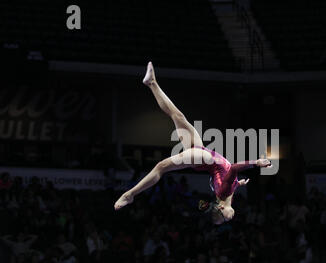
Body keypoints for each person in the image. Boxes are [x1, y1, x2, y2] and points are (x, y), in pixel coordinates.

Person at [114, 62, 272, 224]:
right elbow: (227, 179)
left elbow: (233, 168)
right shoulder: (228, 193)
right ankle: (151, 83)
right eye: (224, 220)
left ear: (221, 208)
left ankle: (130, 194)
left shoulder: (224, 193)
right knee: (178, 116)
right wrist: (239, 183)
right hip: (202, 155)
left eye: (223, 218)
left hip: (203, 157)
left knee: (161, 167)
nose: (227, 219)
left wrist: (256, 163)